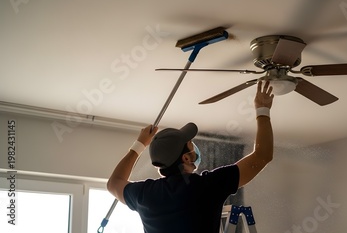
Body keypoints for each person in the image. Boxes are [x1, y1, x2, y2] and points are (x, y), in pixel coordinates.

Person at [107, 80, 274, 233]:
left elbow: (114, 183)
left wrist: (139, 144)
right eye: (190, 145)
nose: (194, 148)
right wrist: (262, 109)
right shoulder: (206, 186)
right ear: (186, 158)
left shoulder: (145, 194)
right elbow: (262, 155)